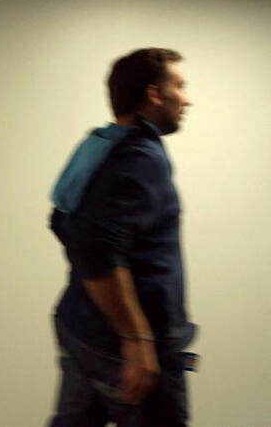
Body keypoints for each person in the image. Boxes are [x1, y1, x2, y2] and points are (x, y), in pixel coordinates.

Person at [47, 48, 198, 426]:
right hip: (125, 352)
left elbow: (61, 222)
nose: (188, 99)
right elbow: (96, 250)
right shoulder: (140, 157)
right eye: (179, 86)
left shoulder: (99, 144)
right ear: (154, 94)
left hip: (81, 330)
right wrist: (137, 338)